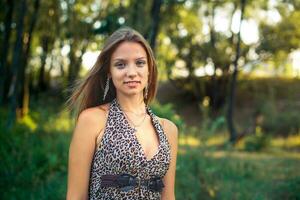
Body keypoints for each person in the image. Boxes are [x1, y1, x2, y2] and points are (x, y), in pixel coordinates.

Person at [66, 27, 178, 200]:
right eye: (120, 64)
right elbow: (76, 196)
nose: (131, 73)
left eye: (140, 63)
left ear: (149, 69)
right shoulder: (92, 120)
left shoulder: (168, 129)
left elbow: (168, 197)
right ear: (109, 72)